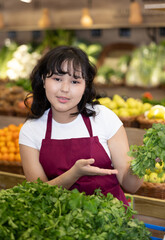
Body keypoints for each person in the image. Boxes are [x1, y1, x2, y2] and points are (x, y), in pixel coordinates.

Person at [19, 45, 143, 206]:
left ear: (85, 86)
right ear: (43, 80)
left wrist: (142, 163)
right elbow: (38, 195)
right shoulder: (31, 130)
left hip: (112, 222)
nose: (64, 89)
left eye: (75, 81)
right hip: (59, 224)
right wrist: (74, 174)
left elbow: (130, 186)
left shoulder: (104, 117)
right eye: (57, 79)